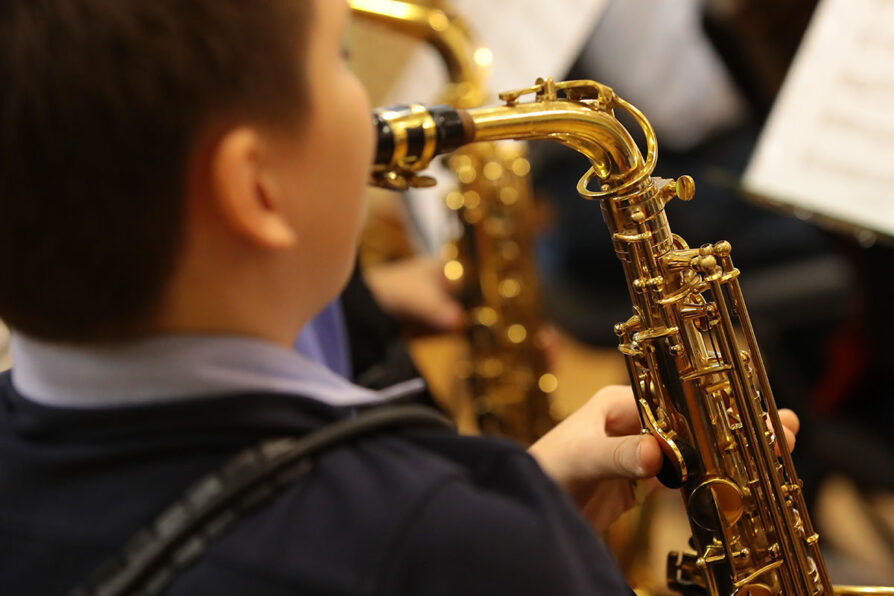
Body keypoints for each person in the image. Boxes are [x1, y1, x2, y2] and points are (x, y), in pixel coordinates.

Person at [0, 1, 799, 594]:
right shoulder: (445, 548)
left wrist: (511, 517)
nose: (387, 113)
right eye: (339, 61)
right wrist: (506, 546)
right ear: (257, 190)